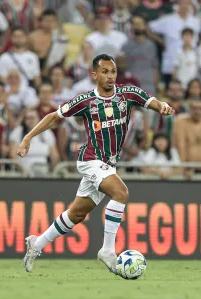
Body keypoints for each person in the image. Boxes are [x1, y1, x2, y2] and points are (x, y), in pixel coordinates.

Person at [17, 54, 174, 274]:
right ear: (94, 75)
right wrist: (28, 137)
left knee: (77, 213)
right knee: (121, 193)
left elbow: (153, 101)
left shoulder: (128, 94)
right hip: (91, 160)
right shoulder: (86, 101)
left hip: (109, 164)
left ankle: (37, 244)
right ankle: (108, 251)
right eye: (105, 72)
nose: (110, 76)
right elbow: (54, 117)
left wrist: (163, 106)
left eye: (113, 72)